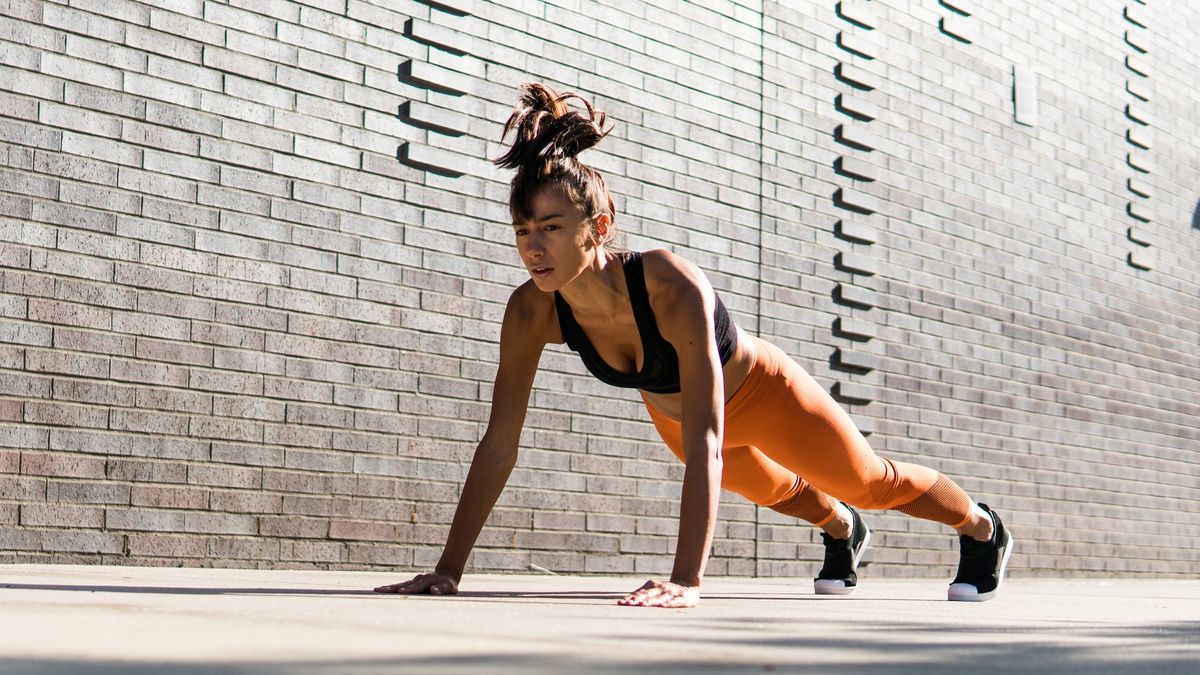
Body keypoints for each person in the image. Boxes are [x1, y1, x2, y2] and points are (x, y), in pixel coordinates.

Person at [374, 83, 1013, 608]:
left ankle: (982, 527)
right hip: (674, 416)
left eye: (550, 227)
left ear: (597, 228)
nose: (533, 246)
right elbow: (500, 441)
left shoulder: (668, 283)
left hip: (760, 392)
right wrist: (449, 569)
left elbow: (712, 433)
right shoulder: (531, 310)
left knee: (872, 481)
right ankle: (843, 530)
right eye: (521, 230)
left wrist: (686, 579)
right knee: (782, 494)